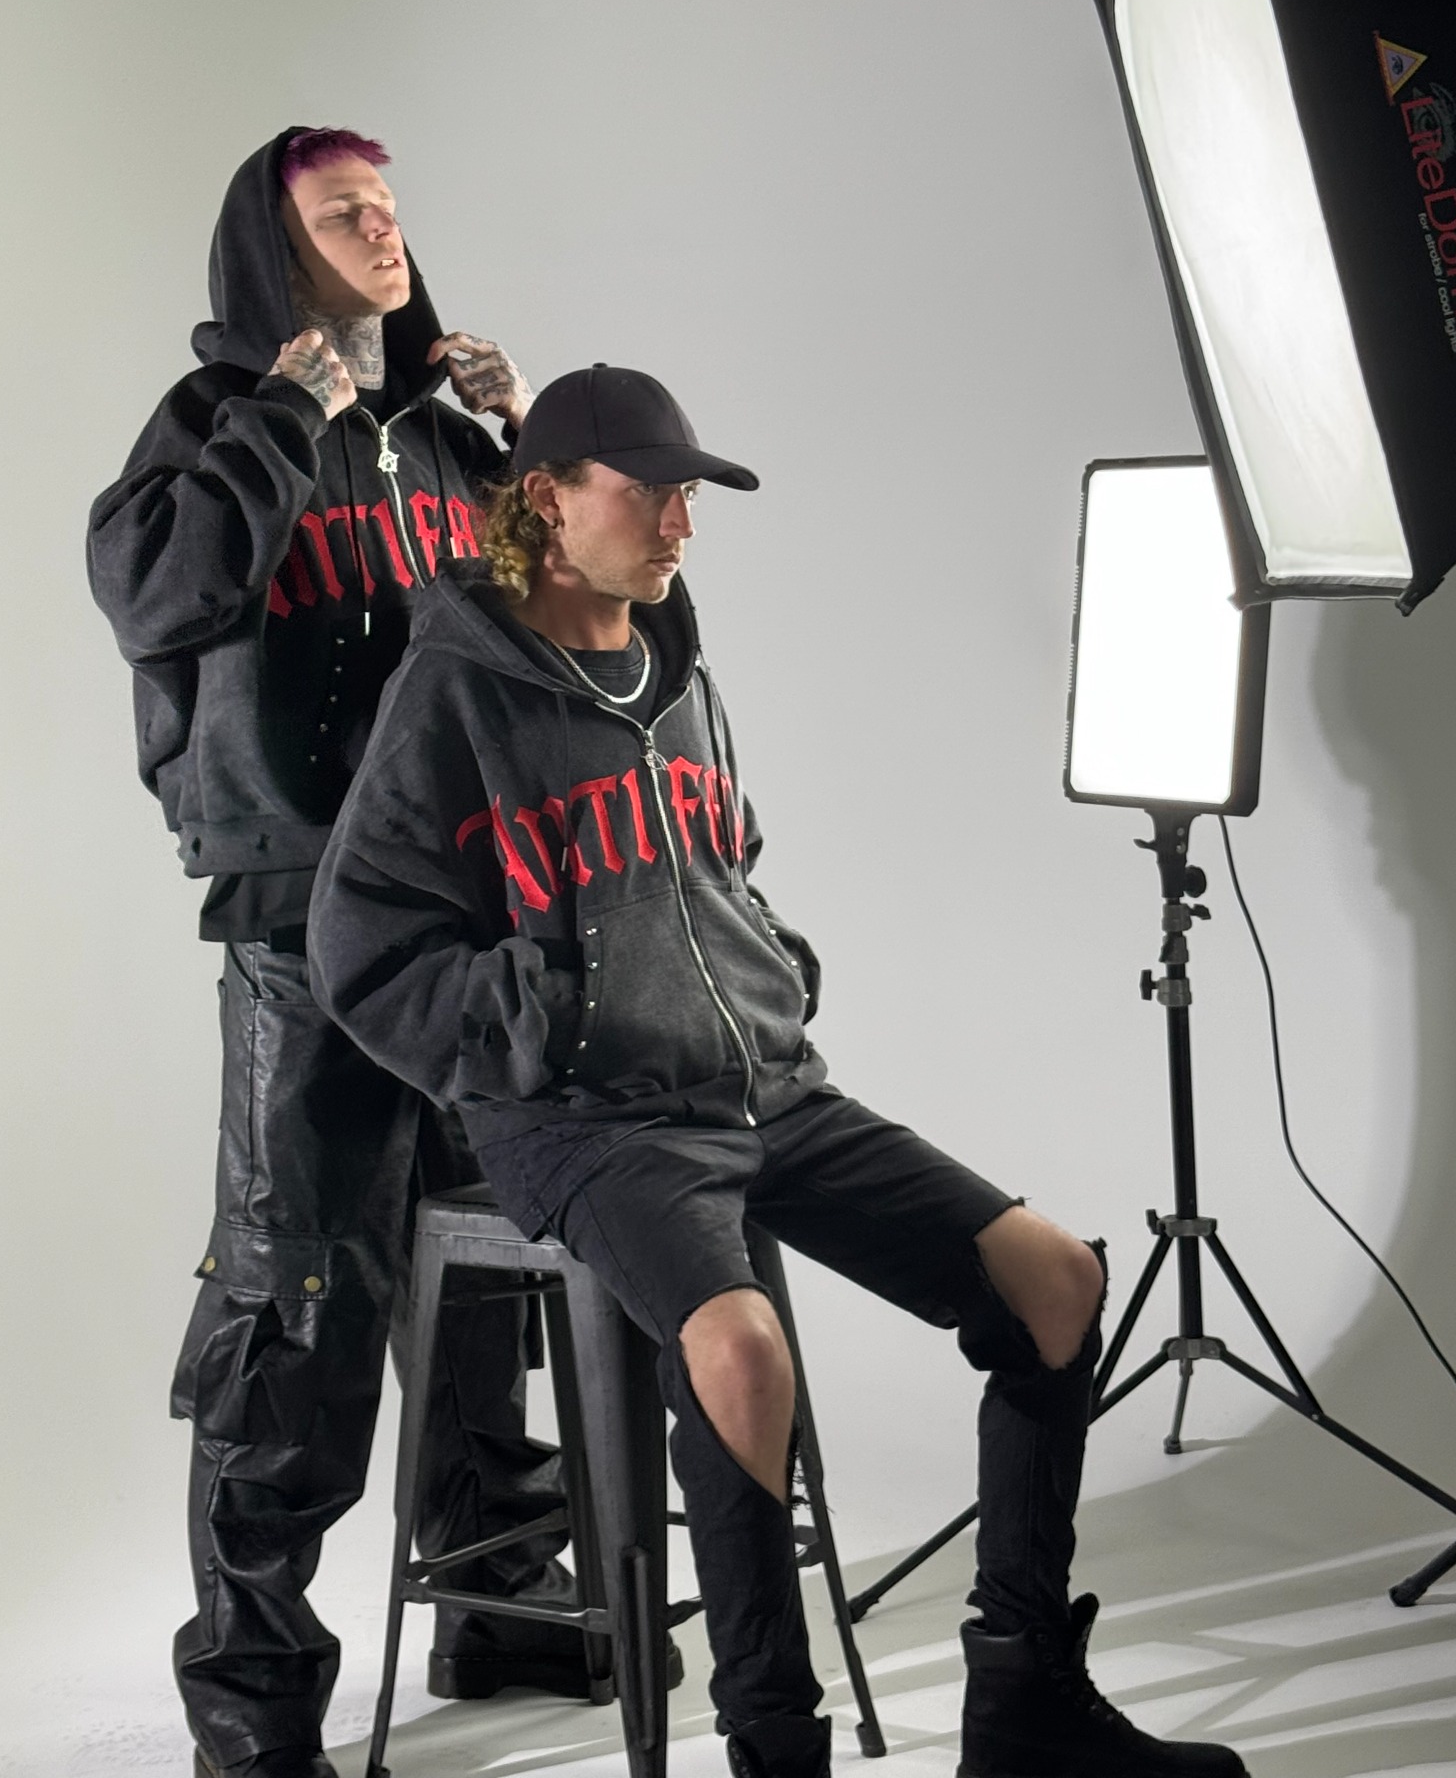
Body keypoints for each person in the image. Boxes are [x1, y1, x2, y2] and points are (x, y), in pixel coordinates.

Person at [306, 364, 1251, 1778]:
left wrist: (771, 967)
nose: (682, 520)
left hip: (764, 1086)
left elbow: (716, 862)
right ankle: (774, 1751)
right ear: (547, 502)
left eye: (692, 493)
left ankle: (1024, 1701)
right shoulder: (453, 689)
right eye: (652, 491)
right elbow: (360, 947)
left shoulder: (673, 662)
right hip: (586, 1123)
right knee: (745, 1356)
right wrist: (551, 1012)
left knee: (1052, 1281)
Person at [86, 128, 594, 1778]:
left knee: (484, 1267)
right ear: (274, 252)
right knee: (296, 1301)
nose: (385, 232)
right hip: (303, 936)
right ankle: (251, 1704)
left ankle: (501, 1603)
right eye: (343, 216)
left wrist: (525, 454)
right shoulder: (208, 434)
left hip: (466, 917)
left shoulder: (443, 439)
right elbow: (157, 587)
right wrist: (288, 417)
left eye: (391, 207)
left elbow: (549, 634)